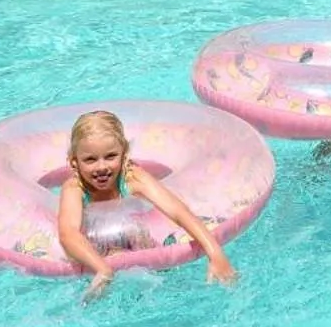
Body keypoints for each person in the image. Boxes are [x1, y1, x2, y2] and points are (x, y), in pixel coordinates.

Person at [55, 108, 238, 301]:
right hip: (96, 251)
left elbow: (177, 211)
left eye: (110, 156)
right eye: (90, 159)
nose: (102, 167)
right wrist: (102, 269)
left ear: (124, 154)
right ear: (74, 162)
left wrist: (215, 253)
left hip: (137, 244)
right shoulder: (74, 187)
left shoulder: (132, 177)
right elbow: (68, 233)